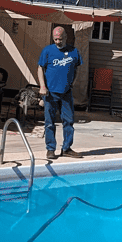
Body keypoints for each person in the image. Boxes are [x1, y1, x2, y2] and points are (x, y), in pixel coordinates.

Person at [37, 24, 82, 160]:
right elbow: (40, 68)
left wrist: (73, 82)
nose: (58, 42)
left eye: (60, 39)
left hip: (66, 92)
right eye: (55, 39)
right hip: (50, 93)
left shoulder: (74, 51)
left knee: (68, 121)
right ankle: (50, 149)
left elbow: (76, 68)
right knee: (49, 122)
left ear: (66, 37)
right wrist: (42, 87)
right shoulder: (47, 51)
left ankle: (66, 148)